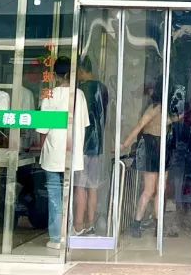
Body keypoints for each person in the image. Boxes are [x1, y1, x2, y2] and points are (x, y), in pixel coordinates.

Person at [38, 56, 90, 250]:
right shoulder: (79, 95)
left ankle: (56, 238)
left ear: (55, 75)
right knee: (71, 194)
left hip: (53, 152)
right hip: (73, 153)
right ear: (71, 73)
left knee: (54, 196)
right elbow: (84, 124)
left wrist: (41, 148)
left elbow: (42, 128)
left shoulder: (49, 94)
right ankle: (69, 233)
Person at [121, 83, 175, 238]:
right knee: (152, 190)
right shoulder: (157, 108)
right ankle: (140, 224)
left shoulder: (162, 109)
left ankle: (152, 225)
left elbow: (142, 125)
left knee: (157, 190)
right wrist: (125, 144)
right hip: (154, 147)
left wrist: (125, 144)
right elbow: (140, 125)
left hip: (159, 147)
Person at [73, 56, 110, 235]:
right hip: (97, 145)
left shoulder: (80, 90)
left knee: (80, 186)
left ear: (81, 70)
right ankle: (91, 224)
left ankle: (78, 225)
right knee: (93, 186)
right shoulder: (103, 88)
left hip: (82, 144)